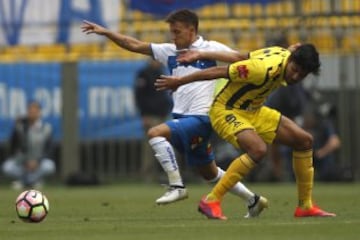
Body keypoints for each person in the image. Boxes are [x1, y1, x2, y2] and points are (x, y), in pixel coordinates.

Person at [82, 9, 268, 218]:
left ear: (192, 30)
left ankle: (177, 187)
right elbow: (134, 44)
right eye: (172, 32)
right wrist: (107, 33)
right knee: (210, 173)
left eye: (177, 32)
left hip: (202, 117)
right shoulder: (170, 51)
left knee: (155, 133)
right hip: (181, 117)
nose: (173, 37)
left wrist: (206, 54)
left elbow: (240, 59)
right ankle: (253, 200)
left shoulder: (211, 47)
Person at [155, 44, 336, 219]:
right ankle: (211, 200)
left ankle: (305, 206)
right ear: (290, 60)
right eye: (294, 69)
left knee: (304, 141)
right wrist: (180, 81)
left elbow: (241, 57)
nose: (295, 76)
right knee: (258, 149)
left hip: (254, 110)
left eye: (301, 75)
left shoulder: (283, 55)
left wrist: (202, 54)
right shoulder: (262, 69)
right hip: (226, 110)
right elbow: (219, 71)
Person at [2, 101, 56, 190]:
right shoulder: (21, 127)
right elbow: (13, 146)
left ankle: (25, 182)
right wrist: (24, 161)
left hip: (38, 163)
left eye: (35, 111)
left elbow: (49, 150)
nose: (32, 113)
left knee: (50, 166)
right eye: (30, 111)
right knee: (7, 167)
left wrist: (37, 161)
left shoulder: (46, 128)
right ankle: (33, 182)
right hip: (23, 163)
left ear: (39, 112)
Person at [134, 59, 172, 182]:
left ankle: (166, 174)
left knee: (165, 145)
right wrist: (143, 114)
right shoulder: (144, 73)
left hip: (162, 114)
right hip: (151, 115)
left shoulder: (160, 72)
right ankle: (148, 175)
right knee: (150, 147)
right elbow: (139, 95)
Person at [302, 106, 341, 181]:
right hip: (307, 156)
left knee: (326, 165)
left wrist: (322, 152)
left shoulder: (324, 125)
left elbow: (335, 142)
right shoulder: (302, 126)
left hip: (322, 157)